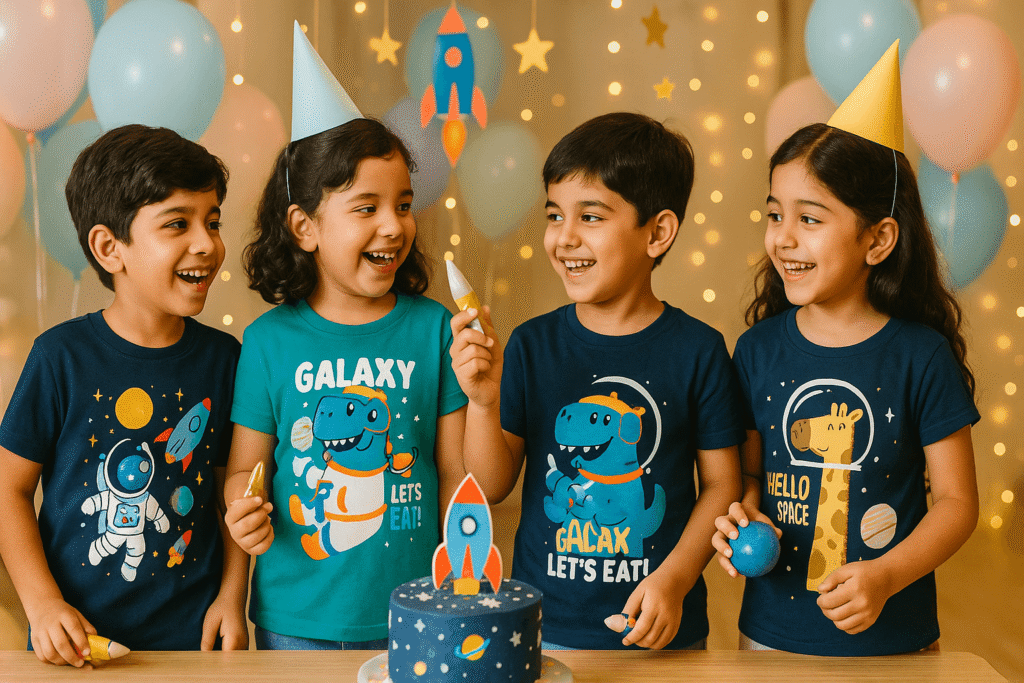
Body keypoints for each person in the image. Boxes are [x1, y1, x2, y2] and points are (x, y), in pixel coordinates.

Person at [712, 43, 979, 656]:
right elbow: (749, 473)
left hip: (895, 645)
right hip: (772, 640)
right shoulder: (755, 351)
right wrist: (743, 515)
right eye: (775, 214)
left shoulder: (921, 355)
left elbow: (958, 503)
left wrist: (886, 576)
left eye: (810, 219)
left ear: (878, 239)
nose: (782, 238)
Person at [450, 112, 745, 650]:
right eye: (554, 215)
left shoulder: (699, 350)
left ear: (657, 232)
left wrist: (674, 580)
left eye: (590, 217)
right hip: (544, 628)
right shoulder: (531, 345)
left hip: (664, 637)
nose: (564, 239)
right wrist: (481, 402)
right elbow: (491, 485)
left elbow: (723, 485)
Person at [222, 24, 466, 650]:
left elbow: (454, 473)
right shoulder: (268, 342)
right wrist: (241, 508)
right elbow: (246, 470)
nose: (393, 226)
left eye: (404, 205)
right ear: (304, 226)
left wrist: (460, 590)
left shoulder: (433, 328)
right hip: (292, 621)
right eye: (366, 208)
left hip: (417, 614)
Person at [0, 124, 248, 666]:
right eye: (177, 223)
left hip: (195, 644)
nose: (207, 243)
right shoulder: (59, 358)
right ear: (109, 247)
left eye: (212, 221)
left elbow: (234, 489)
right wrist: (42, 605)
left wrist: (233, 596)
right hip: (76, 646)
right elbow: (6, 491)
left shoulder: (226, 359)